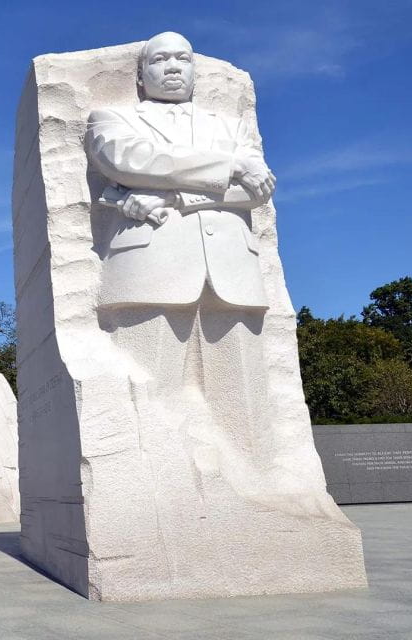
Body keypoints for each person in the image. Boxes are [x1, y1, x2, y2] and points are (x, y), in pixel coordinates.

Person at [85, 31, 278, 459]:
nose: (173, 66)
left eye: (183, 58)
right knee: (149, 394)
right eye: (160, 60)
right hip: (150, 266)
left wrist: (172, 196)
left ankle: (257, 479)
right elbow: (129, 161)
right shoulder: (110, 119)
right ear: (140, 76)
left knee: (245, 405)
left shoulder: (232, 127)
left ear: (195, 71)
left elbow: (256, 192)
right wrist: (230, 166)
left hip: (233, 269)